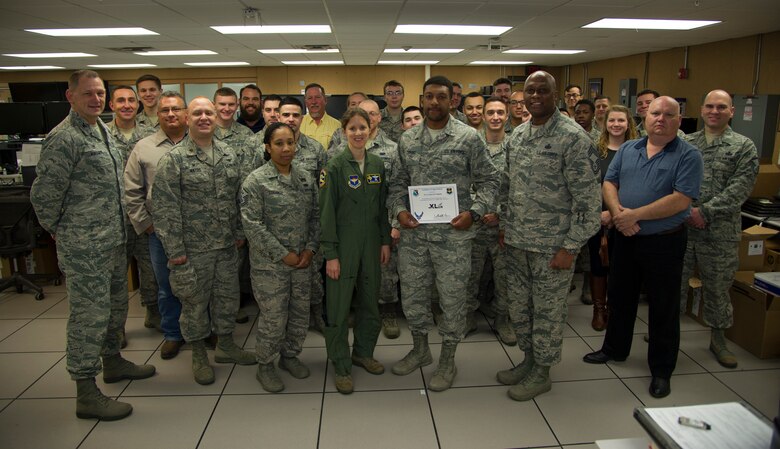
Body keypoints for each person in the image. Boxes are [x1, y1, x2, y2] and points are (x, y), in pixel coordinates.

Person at [31, 70, 156, 421]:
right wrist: (64, 231)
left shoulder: (100, 130)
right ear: (71, 96)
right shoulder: (65, 138)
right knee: (89, 317)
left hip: (113, 240)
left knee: (115, 307)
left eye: (100, 93)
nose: (96, 99)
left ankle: (112, 362)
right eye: (88, 93)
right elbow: (44, 197)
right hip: (85, 247)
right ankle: (85, 390)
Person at [583, 96, 703, 399]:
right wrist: (621, 215)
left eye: (668, 114)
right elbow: (609, 184)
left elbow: (681, 199)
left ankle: (662, 370)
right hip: (626, 239)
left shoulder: (688, 155)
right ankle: (614, 349)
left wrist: (631, 216)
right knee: (620, 297)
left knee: (663, 306)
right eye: (655, 113)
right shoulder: (628, 149)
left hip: (664, 241)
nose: (660, 119)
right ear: (645, 118)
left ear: (679, 119)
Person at [389, 76, 499, 392]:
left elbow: (491, 182)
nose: (434, 103)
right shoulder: (407, 140)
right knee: (413, 297)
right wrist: (399, 212)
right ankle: (421, 349)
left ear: (451, 100)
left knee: (452, 301)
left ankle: (447, 359)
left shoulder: (468, 138)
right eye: (429, 97)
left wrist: (474, 213)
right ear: (422, 100)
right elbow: (397, 185)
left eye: (441, 97)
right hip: (415, 237)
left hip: (454, 238)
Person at [496, 71, 601, 401]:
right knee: (521, 309)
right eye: (530, 91)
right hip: (517, 243)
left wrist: (570, 248)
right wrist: (502, 225)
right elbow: (507, 185)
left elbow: (589, 202)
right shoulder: (519, 135)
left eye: (543, 90)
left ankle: (543, 371)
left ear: (555, 95)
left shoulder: (573, 138)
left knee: (548, 312)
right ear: (522, 96)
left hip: (552, 248)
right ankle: (528, 360)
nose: (535, 96)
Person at [152, 97, 257, 386]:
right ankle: (198, 354)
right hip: (191, 251)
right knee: (194, 305)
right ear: (187, 118)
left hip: (225, 247)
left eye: (208, 113)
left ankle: (225, 345)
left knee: (227, 300)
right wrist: (175, 252)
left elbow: (240, 198)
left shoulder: (227, 154)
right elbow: (164, 208)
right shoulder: (174, 160)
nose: (203, 118)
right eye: (197, 113)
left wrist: (238, 235)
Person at [680, 89, 758, 368]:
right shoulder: (686, 143)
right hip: (684, 226)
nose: (715, 111)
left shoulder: (743, 146)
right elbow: (673, 181)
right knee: (675, 282)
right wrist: (688, 211)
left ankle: (718, 337)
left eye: (721, 107)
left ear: (731, 112)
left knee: (717, 286)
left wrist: (705, 211)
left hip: (720, 231)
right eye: (710, 106)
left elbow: (740, 188)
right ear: (701, 110)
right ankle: (668, 333)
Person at [240, 122, 320, 392]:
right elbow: (252, 225)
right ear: (267, 147)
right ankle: (265, 364)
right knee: (274, 317)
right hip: (270, 266)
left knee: (299, 314)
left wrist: (309, 249)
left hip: (302, 262)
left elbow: (316, 217)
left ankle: (290, 356)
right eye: (279, 143)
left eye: (290, 142)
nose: (286, 149)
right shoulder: (256, 181)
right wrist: (282, 254)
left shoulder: (306, 178)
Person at [319, 108, 392, 394]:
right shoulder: (334, 167)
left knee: (370, 303)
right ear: (344, 132)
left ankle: (362, 352)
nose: (359, 133)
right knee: (338, 306)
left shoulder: (377, 164)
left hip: (372, 243)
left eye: (363, 127)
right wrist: (331, 254)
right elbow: (326, 214)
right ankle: (340, 362)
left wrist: (385, 240)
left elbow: (382, 206)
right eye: (353, 129)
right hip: (343, 246)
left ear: (371, 129)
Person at [125, 91, 190, 360]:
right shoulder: (144, 147)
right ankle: (173, 333)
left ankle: (202, 328)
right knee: (167, 286)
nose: (171, 114)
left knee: (203, 284)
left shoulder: (203, 142)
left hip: (200, 232)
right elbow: (131, 190)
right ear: (157, 115)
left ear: (185, 113)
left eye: (176, 109)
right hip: (160, 233)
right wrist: (147, 225)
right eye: (165, 110)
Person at [107, 85, 160, 342]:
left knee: (151, 269)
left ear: (138, 104)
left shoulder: (151, 134)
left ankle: (153, 312)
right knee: (117, 276)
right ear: (112, 105)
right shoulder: (101, 134)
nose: (127, 105)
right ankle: (117, 329)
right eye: (121, 101)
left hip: (144, 213)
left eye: (131, 100)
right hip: (114, 217)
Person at [278, 96, 329, 332]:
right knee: (280, 281)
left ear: (302, 117)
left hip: (309, 227)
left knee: (313, 277)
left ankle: (316, 315)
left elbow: (324, 188)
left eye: (295, 115)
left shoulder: (315, 149)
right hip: (277, 230)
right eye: (286, 114)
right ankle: (288, 321)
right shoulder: (264, 147)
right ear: (278, 116)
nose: (291, 119)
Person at [467, 96, 515, 345]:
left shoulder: (516, 146)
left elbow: (518, 187)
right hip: (475, 224)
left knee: (504, 278)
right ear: (483, 117)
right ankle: (467, 318)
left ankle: (502, 320)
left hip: (503, 227)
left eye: (500, 112)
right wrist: (479, 209)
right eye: (490, 113)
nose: (495, 117)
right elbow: (466, 182)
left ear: (507, 116)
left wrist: (499, 213)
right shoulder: (473, 145)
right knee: (470, 275)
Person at [213, 86, 263, 324]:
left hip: (237, 217)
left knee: (232, 269)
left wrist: (243, 226)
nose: (226, 108)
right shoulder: (202, 132)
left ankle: (229, 312)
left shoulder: (247, 137)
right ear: (215, 105)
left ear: (236, 106)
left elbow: (251, 182)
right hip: (205, 219)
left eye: (230, 104)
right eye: (222, 104)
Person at [587, 105, 638, 331]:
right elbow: (587, 184)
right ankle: (599, 309)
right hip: (597, 217)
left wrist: (614, 211)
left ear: (629, 124)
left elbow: (638, 186)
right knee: (599, 264)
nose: (616, 125)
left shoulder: (638, 150)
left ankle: (617, 310)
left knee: (622, 268)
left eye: (621, 121)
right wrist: (600, 212)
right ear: (604, 123)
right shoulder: (594, 151)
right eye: (612, 121)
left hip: (626, 216)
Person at [300, 83, 340, 149]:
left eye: (317, 97)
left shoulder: (337, 125)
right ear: (306, 103)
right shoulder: (299, 123)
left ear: (325, 100)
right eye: (310, 98)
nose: (314, 102)